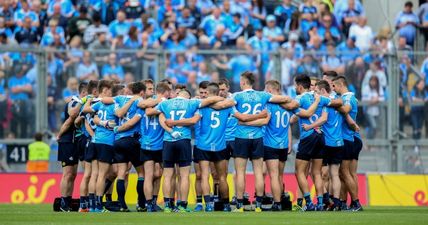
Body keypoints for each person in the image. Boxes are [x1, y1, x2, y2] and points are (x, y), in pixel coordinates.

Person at [145, 88, 224, 212]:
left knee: (167, 175)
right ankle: (182, 205)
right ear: (188, 96)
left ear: (178, 94)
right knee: (184, 175)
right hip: (184, 140)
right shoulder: (191, 103)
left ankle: (167, 206)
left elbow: (149, 112)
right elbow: (212, 99)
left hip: (168, 141)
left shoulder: (166, 103)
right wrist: (224, 98)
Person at [231, 71, 298, 212]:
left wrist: (244, 122)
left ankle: (239, 204)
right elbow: (285, 99)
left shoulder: (236, 95)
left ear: (243, 82)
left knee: (240, 172)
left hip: (242, 137)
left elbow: (234, 111)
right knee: (258, 172)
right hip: (258, 138)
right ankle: (259, 205)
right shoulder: (263, 96)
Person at [292, 74, 342, 211]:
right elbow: (338, 102)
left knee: (300, 172)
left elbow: (299, 115)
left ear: (300, 86)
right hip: (320, 136)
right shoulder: (319, 97)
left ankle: (308, 203)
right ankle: (320, 203)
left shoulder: (299, 98)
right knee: (317, 173)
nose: (295, 88)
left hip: (308, 136)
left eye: (295, 85)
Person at [82, 80, 116, 212]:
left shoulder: (98, 104)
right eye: (110, 90)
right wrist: (107, 123)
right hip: (106, 142)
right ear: (105, 90)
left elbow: (85, 110)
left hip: (95, 141)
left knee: (94, 174)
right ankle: (98, 204)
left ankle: (91, 204)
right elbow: (118, 115)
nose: (111, 93)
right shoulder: (114, 105)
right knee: (102, 175)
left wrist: (89, 100)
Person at [332, 75, 363, 211]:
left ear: (340, 85)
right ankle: (344, 202)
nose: (333, 88)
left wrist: (331, 102)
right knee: (343, 173)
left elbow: (345, 109)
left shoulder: (348, 98)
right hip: (345, 138)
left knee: (345, 172)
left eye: (334, 86)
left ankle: (356, 202)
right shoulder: (345, 98)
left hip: (347, 138)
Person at [139, 82, 171, 212]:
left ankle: (152, 202)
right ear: (166, 92)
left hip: (150, 143)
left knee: (156, 174)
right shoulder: (163, 103)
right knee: (150, 174)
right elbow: (149, 112)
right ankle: (149, 203)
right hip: (154, 143)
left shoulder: (147, 102)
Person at [56, 81, 86, 212]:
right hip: (68, 141)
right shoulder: (74, 101)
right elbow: (72, 113)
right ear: (84, 92)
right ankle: (64, 202)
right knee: (68, 174)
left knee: (73, 174)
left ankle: (68, 201)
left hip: (77, 141)